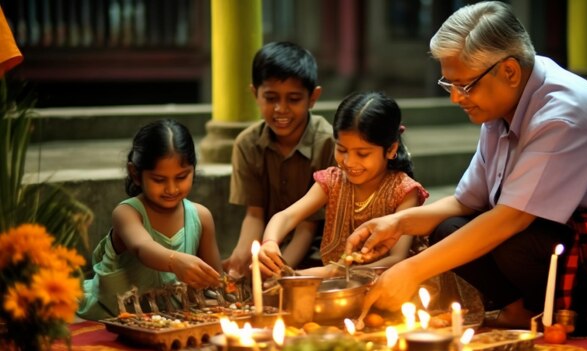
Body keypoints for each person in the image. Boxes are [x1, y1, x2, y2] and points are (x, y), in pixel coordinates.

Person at [345, 1, 587, 336]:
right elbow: (467, 201)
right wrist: (398, 223)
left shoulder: (565, 113)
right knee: (446, 228)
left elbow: (511, 218)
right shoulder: (503, 102)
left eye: (464, 86)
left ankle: (577, 318)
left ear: (509, 71)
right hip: (551, 234)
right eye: (450, 85)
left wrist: (409, 271)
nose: (455, 98)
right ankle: (520, 312)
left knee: (511, 243)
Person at [258, 91, 429, 278]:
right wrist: (270, 242)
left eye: (362, 154)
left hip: (392, 285)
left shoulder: (404, 191)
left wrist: (332, 272)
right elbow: (286, 217)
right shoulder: (333, 181)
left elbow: (396, 259)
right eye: (341, 149)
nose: (349, 162)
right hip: (339, 287)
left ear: (391, 149)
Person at [78, 119, 223, 320]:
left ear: (193, 170)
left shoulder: (201, 217)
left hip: (169, 321)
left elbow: (217, 282)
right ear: (136, 174)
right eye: (159, 180)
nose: (171, 189)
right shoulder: (127, 213)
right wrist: (175, 261)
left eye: (181, 177)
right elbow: (143, 247)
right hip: (113, 315)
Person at [223, 41, 335, 278]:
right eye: (270, 97)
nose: (281, 109)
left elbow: (308, 226)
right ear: (255, 94)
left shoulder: (327, 144)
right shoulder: (247, 144)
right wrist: (242, 257)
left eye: (293, 99)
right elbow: (254, 214)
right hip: (268, 247)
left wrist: (277, 272)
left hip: (319, 255)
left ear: (313, 97)